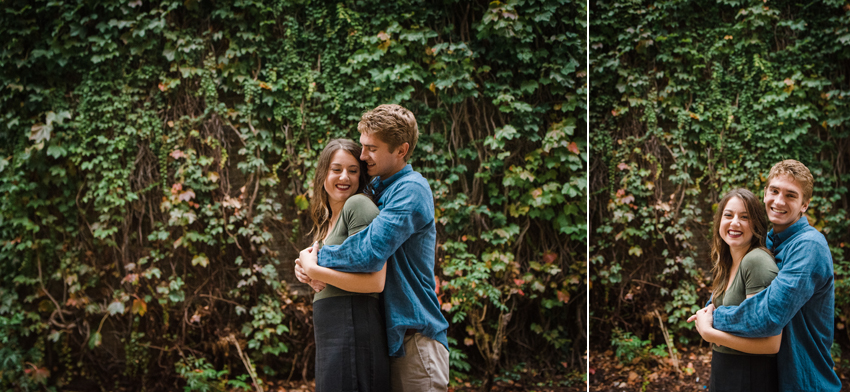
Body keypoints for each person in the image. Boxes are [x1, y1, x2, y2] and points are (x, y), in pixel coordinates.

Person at [296, 104, 450, 391]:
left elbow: (367, 252)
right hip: (389, 336)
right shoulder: (379, 189)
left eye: (372, 148)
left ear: (401, 150)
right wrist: (310, 265)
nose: (363, 155)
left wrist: (315, 259)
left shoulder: (411, 190)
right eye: (363, 146)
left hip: (416, 337)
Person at [692, 160, 841, 392]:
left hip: (805, 380)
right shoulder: (766, 241)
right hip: (773, 378)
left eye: (791, 195)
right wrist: (711, 306)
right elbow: (735, 287)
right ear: (765, 194)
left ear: (805, 205)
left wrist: (713, 322)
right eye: (774, 191)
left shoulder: (809, 246)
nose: (779, 201)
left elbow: (767, 316)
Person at [295, 138, 390, 392]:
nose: (344, 177)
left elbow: (376, 281)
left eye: (353, 170)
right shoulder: (325, 222)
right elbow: (330, 273)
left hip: (354, 322)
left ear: (361, 175)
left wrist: (314, 269)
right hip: (332, 328)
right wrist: (304, 270)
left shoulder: (357, 205)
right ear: (323, 173)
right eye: (336, 169)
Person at [688, 188, 780, 392]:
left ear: (756, 224)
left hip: (749, 376)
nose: (735, 222)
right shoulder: (726, 263)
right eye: (728, 215)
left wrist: (709, 333)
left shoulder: (756, 262)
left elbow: (771, 344)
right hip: (725, 371)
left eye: (744, 217)